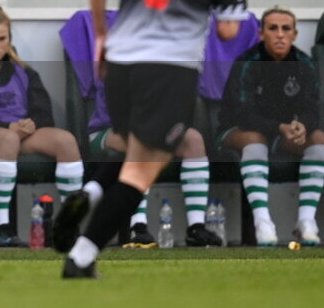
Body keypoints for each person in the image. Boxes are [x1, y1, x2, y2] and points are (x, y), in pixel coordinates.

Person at [53, 0, 248, 278]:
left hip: (120, 62)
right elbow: (230, 27)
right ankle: (82, 256)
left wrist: (101, 37)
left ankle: (88, 194)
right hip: (170, 67)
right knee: (144, 170)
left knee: (133, 155)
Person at [0, 5, 84, 247]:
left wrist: (30, 124)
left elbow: (44, 115)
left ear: (9, 39)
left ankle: (70, 224)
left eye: (2, 39)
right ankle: (1, 226)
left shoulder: (24, 71)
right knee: (7, 138)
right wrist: (7, 126)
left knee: (66, 141)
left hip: (19, 135)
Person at [218, 6, 324, 246]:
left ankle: (306, 222)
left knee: (318, 138)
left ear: (295, 34)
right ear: (261, 34)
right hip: (236, 131)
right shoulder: (247, 62)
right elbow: (242, 114)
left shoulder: (303, 63)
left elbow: (313, 109)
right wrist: (280, 127)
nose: (280, 34)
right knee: (255, 139)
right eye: (273, 28)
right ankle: (263, 222)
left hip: (280, 132)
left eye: (286, 29)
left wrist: (302, 126)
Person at [87, 78, 222, 247]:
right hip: (107, 131)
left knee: (193, 140)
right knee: (140, 141)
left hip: (154, 131)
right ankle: (138, 225)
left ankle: (196, 228)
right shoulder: (121, 62)